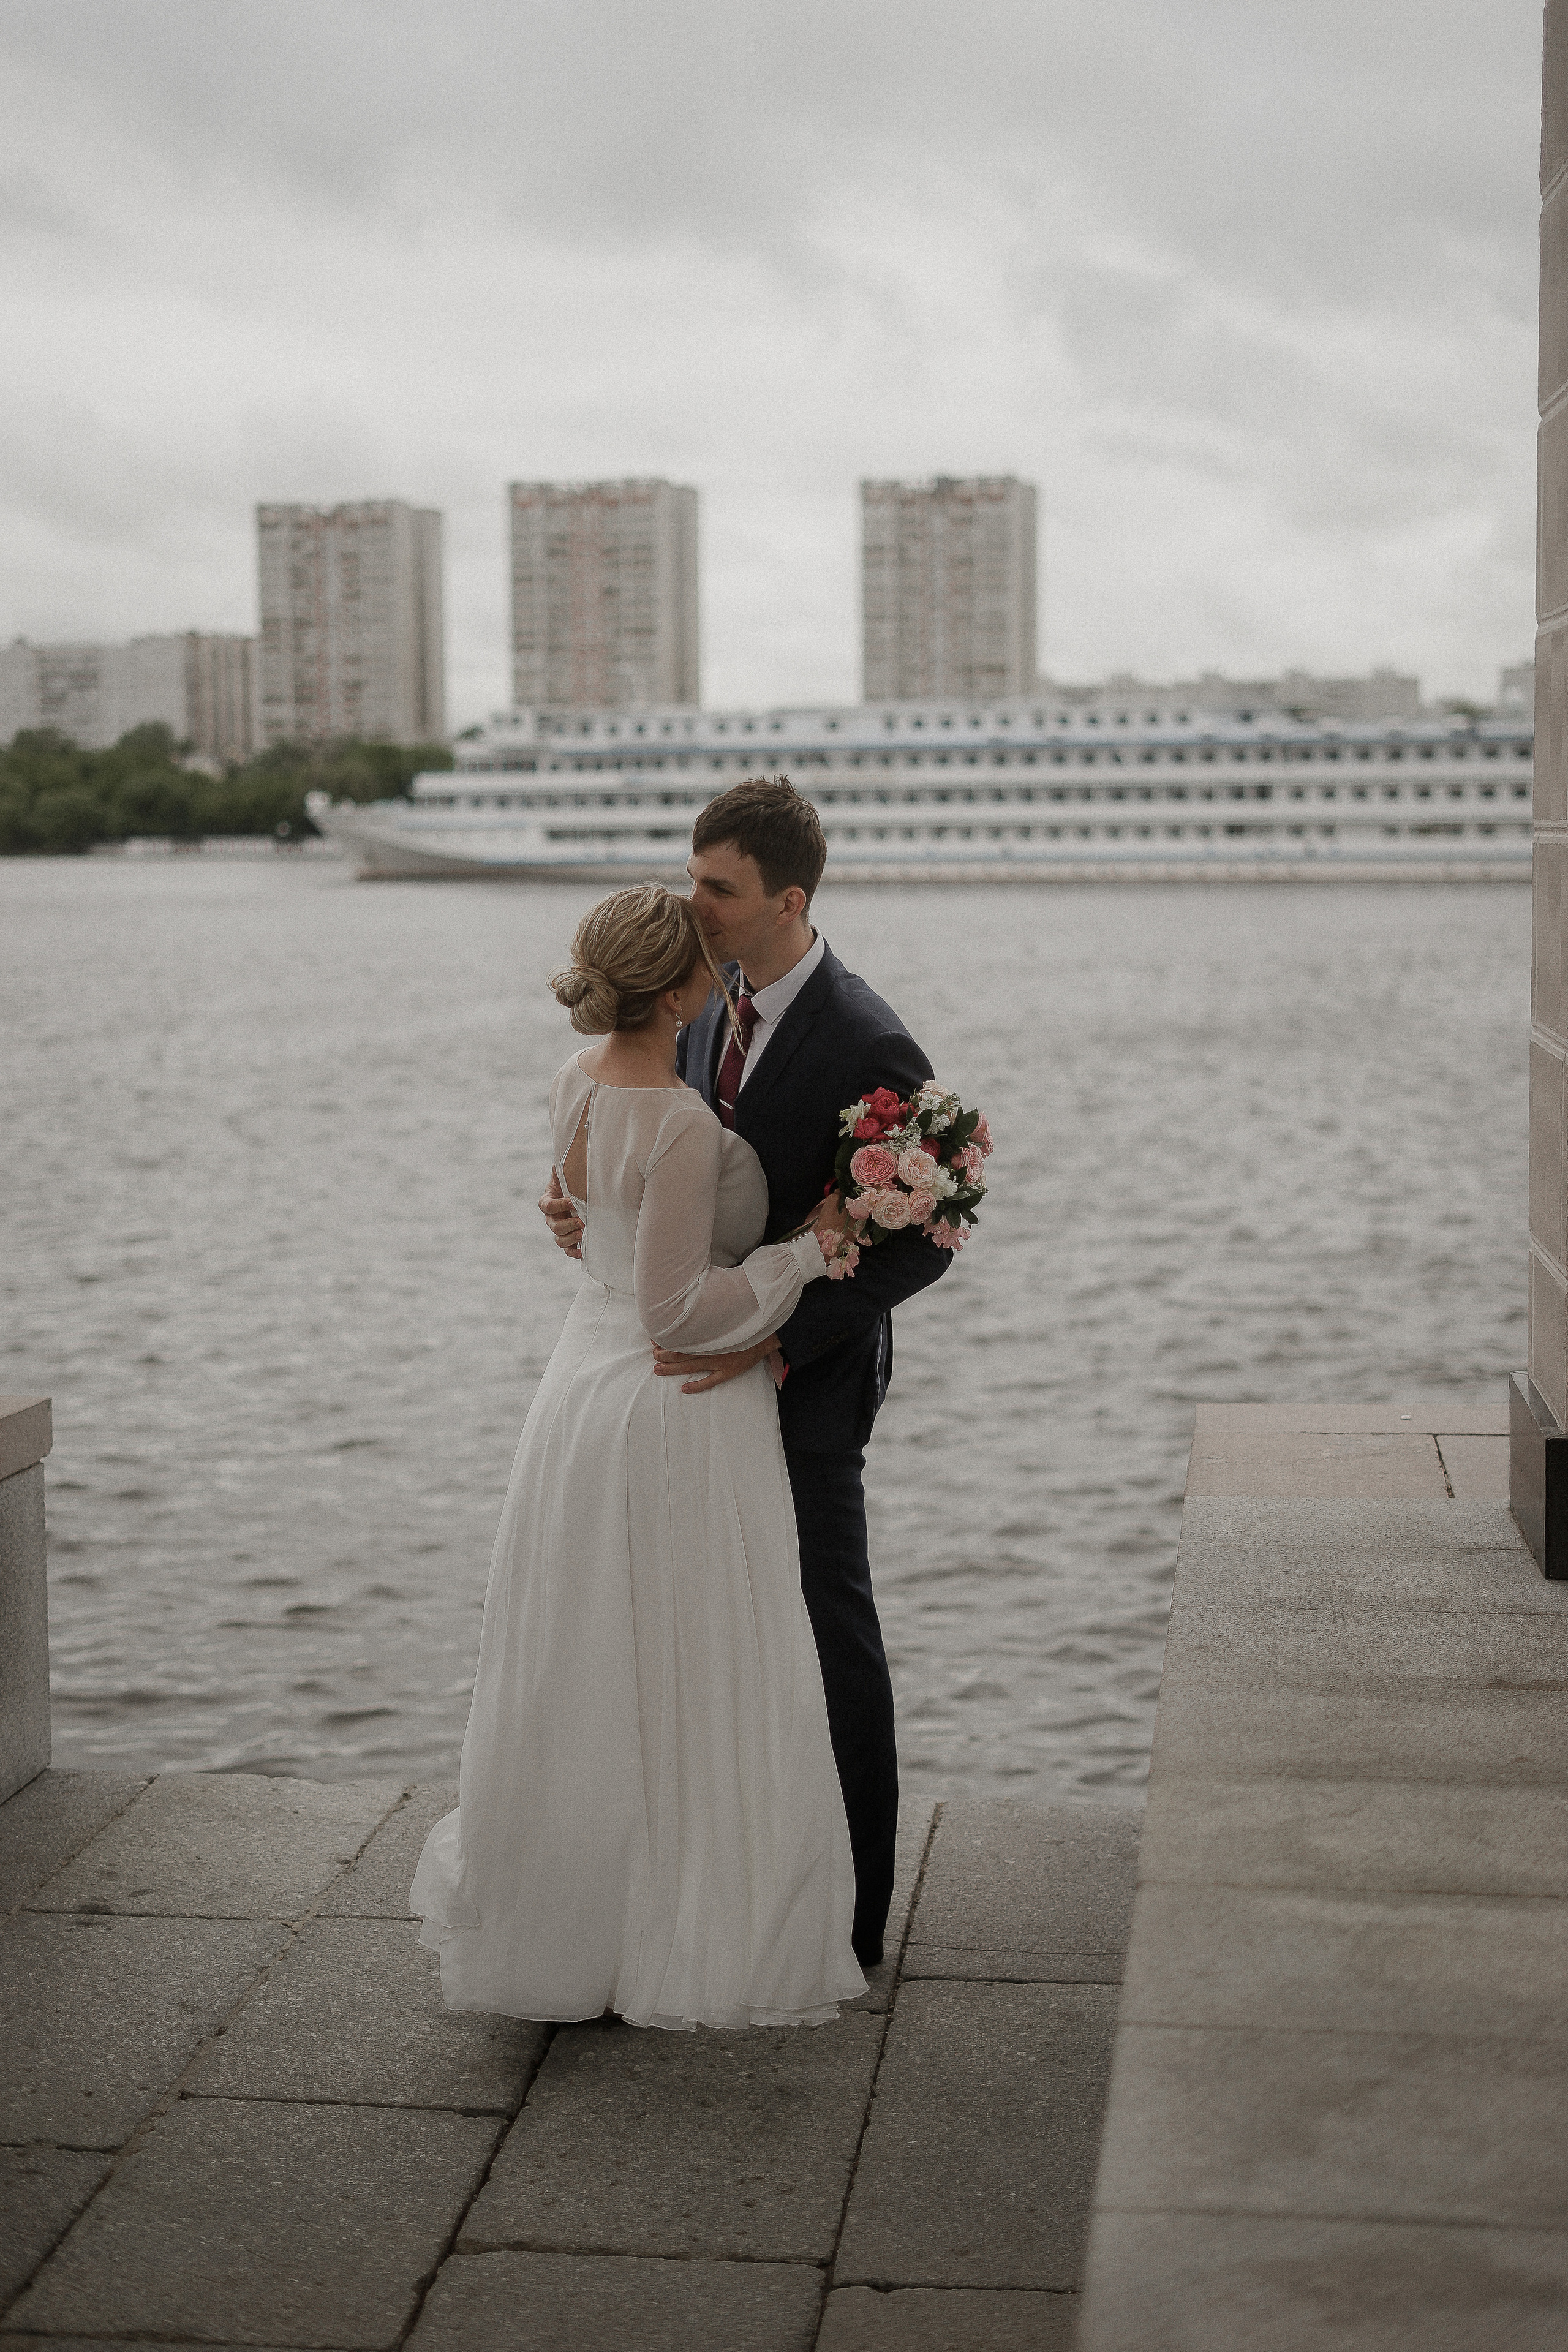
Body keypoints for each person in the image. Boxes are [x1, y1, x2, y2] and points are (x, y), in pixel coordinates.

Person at [412, 883, 864, 2029]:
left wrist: (577, 1224)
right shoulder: (680, 1124)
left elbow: (588, 1237)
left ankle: (586, 1922)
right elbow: (676, 1312)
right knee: (697, 1663)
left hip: (575, 1393)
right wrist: (808, 1255)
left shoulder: (573, 1083)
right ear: (679, 992)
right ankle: (689, 1926)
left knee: (593, 1666)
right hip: (668, 1410)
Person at [541, 779, 951, 1965]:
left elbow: (917, 1236)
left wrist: (786, 1337)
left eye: (714, 887)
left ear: (788, 899)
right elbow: (644, 1156)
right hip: (678, 1385)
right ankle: (725, 1879)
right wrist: (578, 1204)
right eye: (689, 875)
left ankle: (858, 1917)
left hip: (801, 1381)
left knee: (828, 1631)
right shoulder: (694, 1005)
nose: (692, 901)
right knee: (712, 1638)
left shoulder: (868, 1040)